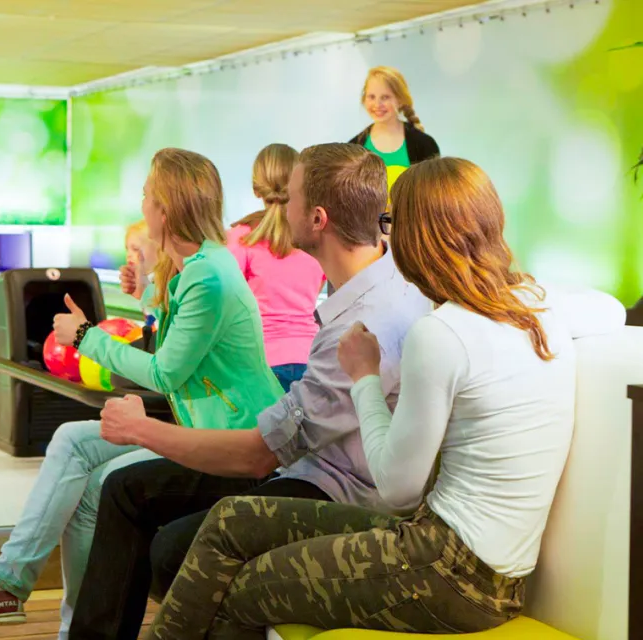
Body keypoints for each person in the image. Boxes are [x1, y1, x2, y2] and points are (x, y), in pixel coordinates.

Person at [148, 157, 627, 639]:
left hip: (450, 573)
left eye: (390, 222)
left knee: (237, 587)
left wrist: (365, 377)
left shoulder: (442, 334)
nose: (386, 238)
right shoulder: (533, 305)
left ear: (415, 235)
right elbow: (610, 309)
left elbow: (398, 489)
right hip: (471, 565)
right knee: (229, 519)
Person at [67, 143, 432, 640]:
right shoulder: (375, 287)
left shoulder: (362, 325)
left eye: (289, 196)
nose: (275, 206)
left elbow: (258, 456)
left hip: (335, 491)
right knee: (126, 489)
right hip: (307, 465)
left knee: (173, 552)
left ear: (317, 219)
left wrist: (141, 429)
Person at [0, 148, 285, 637]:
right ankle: (6, 583)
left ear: (165, 208)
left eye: (147, 194)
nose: (142, 204)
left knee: (100, 486)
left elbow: (165, 373)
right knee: (72, 439)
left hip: (234, 441)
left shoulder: (209, 275)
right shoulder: (195, 267)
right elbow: (183, 342)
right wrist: (148, 293)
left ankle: (78, 628)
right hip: (202, 426)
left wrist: (84, 336)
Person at [227, 144, 326, 392]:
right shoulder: (316, 235)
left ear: (256, 188)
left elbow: (224, 299)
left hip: (258, 362)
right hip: (311, 361)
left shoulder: (240, 238)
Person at [349, 66, 439, 199]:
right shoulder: (353, 148)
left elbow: (434, 198)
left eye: (385, 97)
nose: (377, 104)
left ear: (400, 100)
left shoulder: (425, 145)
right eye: (371, 97)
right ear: (364, 99)